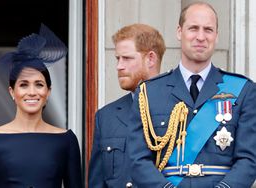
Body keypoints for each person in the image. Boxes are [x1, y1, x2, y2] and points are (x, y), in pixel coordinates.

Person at [128, 2, 256, 188]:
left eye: (208, 30)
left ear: (216, 36)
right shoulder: (149, 92)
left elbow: (248, 160)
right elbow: (138, 160)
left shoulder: (243, 90)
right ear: (180, 32)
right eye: (193, 28)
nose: (201, 37)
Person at [0, 24, 82, 188]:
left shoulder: (66, 140)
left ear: (48, 91)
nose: (32, 92)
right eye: (24, 85)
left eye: (39, 84)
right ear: (12, 92)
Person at [88, 23, 166, 187]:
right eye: (118, 59)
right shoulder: (106, 117)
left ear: (150, 58)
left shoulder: (180, 109)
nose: (119, 66)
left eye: (127, 58)